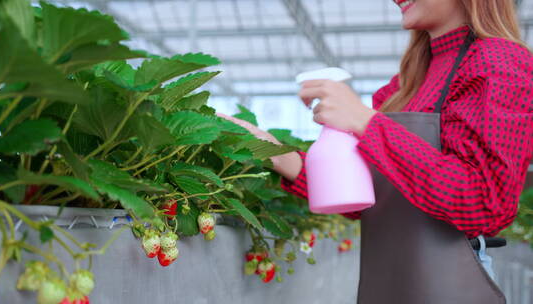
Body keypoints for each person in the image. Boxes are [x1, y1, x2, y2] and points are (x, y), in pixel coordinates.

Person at [219, 0, 532, 303]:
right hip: (386, 281)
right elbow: (362, 196)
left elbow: (483, 202)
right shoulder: (405, 82)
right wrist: (270, 150)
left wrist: (365, 122)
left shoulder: (499, 61)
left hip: (445, 286)